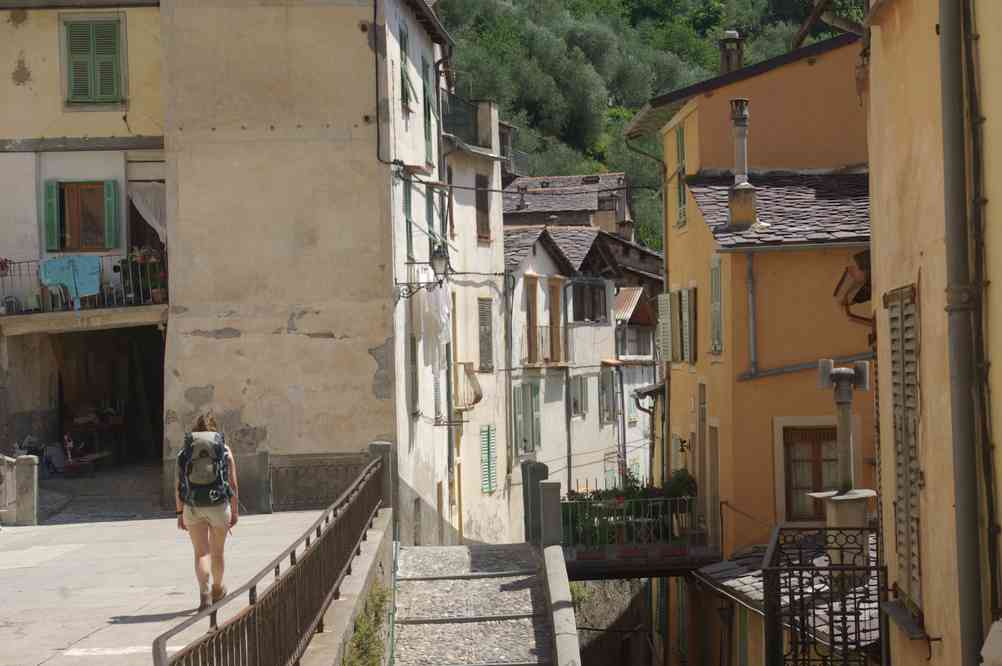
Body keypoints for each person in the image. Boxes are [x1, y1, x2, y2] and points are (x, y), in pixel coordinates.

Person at [175, 413, 239, 611]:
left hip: (193, 507)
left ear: (195, 430)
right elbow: (233, 484)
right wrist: (235, 511)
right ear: (214, 429)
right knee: (217, 553)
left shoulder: (184, 452)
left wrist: (179, 513)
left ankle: (204, 594)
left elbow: (178, 486)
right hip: (219, 506)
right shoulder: (224, 449)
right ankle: (217, 589)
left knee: (201, 552)